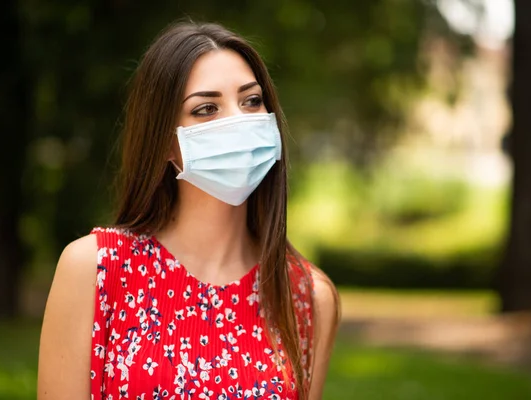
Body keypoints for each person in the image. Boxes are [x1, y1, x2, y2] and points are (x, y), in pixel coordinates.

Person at [37, 21, 340, 400]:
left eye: (251, 100)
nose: (239, 121)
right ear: (164, 141)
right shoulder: (95, 268)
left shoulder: (308, 295)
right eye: (206, 109)